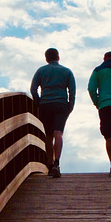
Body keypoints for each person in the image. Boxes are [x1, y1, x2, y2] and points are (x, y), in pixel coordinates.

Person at [30, 48, 76, 178]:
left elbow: (33, 89)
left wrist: (38, 102)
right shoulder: (67, 71)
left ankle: (50, 164)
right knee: (58, 134)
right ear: (58, 57)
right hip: (61, 105)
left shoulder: (41, 71)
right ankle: (57, 163)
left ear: (46, 58)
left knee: (48, 136)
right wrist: (70, 105)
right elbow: (72, 90)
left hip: (45, 105)